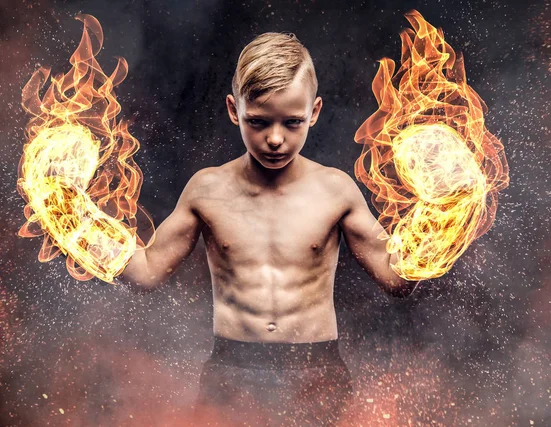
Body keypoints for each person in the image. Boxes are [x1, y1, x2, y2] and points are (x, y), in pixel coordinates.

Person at [121, 32, 414, 426]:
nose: (275, 139)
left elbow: (395, 278)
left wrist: (447, 227)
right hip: (233, 370)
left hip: (316, 372)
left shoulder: (335, 189)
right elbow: (146, 272)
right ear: (233, 109)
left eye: (292, 122)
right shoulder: (207, 189)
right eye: (257, 122)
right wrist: (77, 224)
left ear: (314, 111)